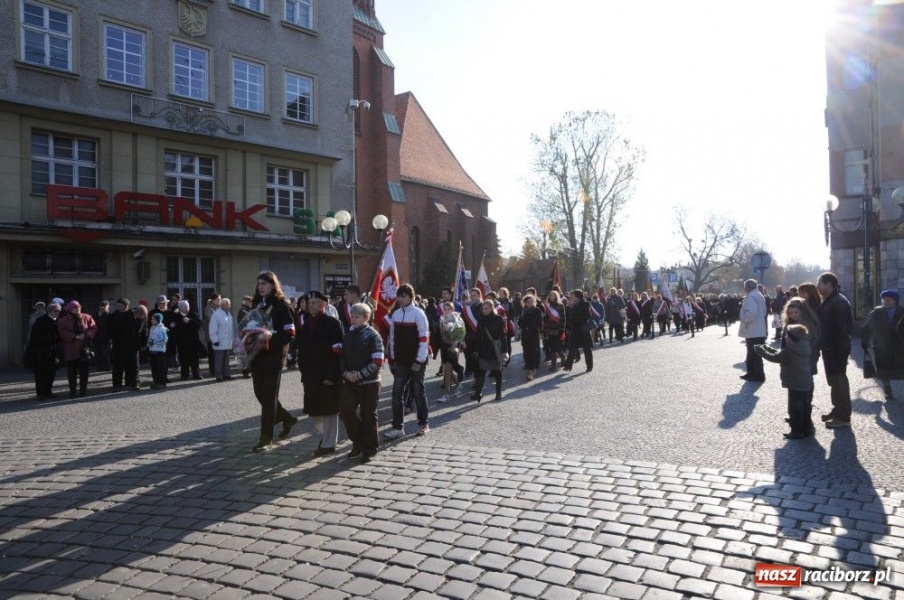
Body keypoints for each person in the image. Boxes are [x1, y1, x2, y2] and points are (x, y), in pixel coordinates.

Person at [244, 271, 297, 452]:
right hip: (257, 357)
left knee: (268, 399)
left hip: (273, 357)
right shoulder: (257, 305)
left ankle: (266, 439)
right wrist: (248, 340)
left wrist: (267, 342)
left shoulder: (282, 306)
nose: (261, 286)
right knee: (260, 393)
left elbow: (289, 334)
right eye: (259, 283)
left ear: (273, 285)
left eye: (265, 283)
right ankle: (287, 418)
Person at [298, 290, 344, 457]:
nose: (311, 306)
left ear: (324, 304)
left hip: (327, 374)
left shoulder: (333, 323)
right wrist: (302, 370)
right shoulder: (306, 324)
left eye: (315, 303)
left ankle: (329, 443)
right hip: (311, 375)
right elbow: (301, 350)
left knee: (329, 410)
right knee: (315, 409)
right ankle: (325, 438)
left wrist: (332, 375)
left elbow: (337, 352)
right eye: (309, 303)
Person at [340, 302, 384, 463]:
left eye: (357, 317)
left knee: (368, 416)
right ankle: (358, 443)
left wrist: (360, 374)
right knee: (346, 412)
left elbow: (378, 361)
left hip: (369, 383)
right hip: (350, 382)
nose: (353, 319)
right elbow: (342, 357)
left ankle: (370, 448)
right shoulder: (348, 334)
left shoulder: (373, 336)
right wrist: (345, 373)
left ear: (366, 317)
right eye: (352, 316)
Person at [385, 283, 430, 439]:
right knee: (397, 393)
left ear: (411, 296)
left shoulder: (419, 314)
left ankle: (424, 423)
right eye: (399, 296)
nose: (400, 299)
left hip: (417, 360)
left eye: (403, 296)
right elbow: (391, 338)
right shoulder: (396, 314)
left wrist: (419, 360)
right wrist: (392, 357)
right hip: (401, 361)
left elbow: (424, 338)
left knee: (418, 391)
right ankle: (398, 427)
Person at [755, 324, 814, 439]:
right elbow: (779, 354)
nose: (785, 337)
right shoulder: (803, 346)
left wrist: (760, 350)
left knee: (795, 408)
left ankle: (797, 431)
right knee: (805, 406)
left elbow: (774, 357)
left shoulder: (789, 351)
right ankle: (808, 428)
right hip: (806, 382)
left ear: (792, 339)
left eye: (787, 336)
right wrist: (768, 348)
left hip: (795, 384)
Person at [816, 272, 854, 428]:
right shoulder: (831, 300)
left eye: (820, 283)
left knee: (839, 381)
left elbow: (842, 329)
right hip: (832, 347)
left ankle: (843, 417)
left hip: (836, 348)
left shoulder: (837, 301)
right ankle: (838, 410)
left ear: (829, 284)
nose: (818, 286)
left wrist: (829, 346)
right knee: (834, 381)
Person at [861, 289, 904, 400]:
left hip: (899, 346)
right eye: (884, 300)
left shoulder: (902, 311)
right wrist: (865, 340)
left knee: (901, 367)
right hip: (881, 345)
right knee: (883, 368)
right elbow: (867, 326)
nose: (886, 302)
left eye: (889, 300)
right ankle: (887, 391)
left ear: (895, 301)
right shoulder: (877, 311)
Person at [471, 299, 510, 402]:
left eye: (486, 308)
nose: (484, 310)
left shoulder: (498, 319)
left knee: (497, 372)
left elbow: (502, 335)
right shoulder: (481, 320)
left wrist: (504, 349)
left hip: (495, 349)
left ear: (492, 308)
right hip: (484, 348)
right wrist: (476, 349)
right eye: (483, 308)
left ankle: (498, 392)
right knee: (481, 372)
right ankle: (478, 393)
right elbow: (478, 336)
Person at [57, 301, 97, 398]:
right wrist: (74, 336)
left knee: (84, 372)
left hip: (83, 349)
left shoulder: (86, 317)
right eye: (75, 308)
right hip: (71, 350)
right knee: (72, 373)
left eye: (79, 307)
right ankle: (73, 391)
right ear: (70, 309)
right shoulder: (63, 320)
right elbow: (62, 331)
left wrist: (87, 335)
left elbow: (93, 327)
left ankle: (83, 390)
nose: (78, 309)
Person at [27, 302, 62, 400]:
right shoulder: (41, 320)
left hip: (53, 351)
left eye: (59, 311)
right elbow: (36, 336)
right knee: (41, 373)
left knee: (51, 372)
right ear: (50, 311)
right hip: (41, 352)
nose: (58, 313)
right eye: (55, 311)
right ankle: (40, 393)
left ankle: (48, 391)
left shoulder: (58, 321)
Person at [108, 298, 143, 391]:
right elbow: (110, 328)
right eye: (119, 305)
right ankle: (116, 385)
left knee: (133, 365)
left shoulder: (133, 314)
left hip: (132, 344)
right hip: (118, 344)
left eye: (122, 305)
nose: (120, 307)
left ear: (127, 306)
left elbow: (140, 327)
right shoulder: (114, 315)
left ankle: (134, 383)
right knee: (117, 365)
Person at [738, 279, 768, 382]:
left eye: (744, 286)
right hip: (757, 329)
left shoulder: (751, 296)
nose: (743, 288)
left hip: (753, 329)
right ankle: (751, 373)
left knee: (754, 354)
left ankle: (757, 375)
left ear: (749, 286)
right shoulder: (759, 295)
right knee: (753, 353)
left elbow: (750, 313)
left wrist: (743, 317)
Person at [437, 302, 466, 402]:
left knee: (447, 369)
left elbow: (461, 332)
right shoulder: (442, 319)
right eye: (445, 309)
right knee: (448, 368)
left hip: (453, 346)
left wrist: (456, 341)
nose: (446, 311)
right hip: (444, 345)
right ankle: (458, 385)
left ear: (452, 309)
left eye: (449, 309)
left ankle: (446, 394)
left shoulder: (457, 318)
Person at [562, 290, 593, 373]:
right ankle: (568, 366)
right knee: (573, 348)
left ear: (577, 296)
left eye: (573, 296)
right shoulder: (574, 305)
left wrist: (576, 319)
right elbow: (571, 317)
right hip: (575, 329)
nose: (572, 297)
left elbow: (587, 316)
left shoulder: (585, 304)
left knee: (587, 349)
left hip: (583, 329)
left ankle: (589, 366)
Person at [171, 300, 203, 381]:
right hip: (182, 342)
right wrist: (173, 326)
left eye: (188, 307)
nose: (187, 309)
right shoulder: (176, 316)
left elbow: (199, 324)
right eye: (185, 307)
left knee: (195, 360)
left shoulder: (193, 315)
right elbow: (174, 329)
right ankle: (184, 375)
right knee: (183, 360)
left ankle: (196, 374)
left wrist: (190, 321)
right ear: (180, 308)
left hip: (193, 342)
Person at [208, 297, 234, 382]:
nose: (229, 306)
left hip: (227, 341)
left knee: (226, 360)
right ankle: (218, 375)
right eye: (228, 304)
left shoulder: (228, 314)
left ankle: (226, 374)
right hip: (219, 341)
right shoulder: (216, 315)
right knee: (219, 360)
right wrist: (214, 340)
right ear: (223, 305)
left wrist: (232, 340)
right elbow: (212, 328)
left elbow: (231, 329)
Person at [518, 294, 543, 380]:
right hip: (525, 335)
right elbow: (520, 322)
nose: (529, 303)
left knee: (532, 353)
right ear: (525, 303)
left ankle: (532, 371)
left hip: (533, 334)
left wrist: (532, 328)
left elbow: (540, 323)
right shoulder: (523, 311)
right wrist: (523, 327)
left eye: (531, 302)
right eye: (528, 302)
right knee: (526, 353)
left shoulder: (537, 310)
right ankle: (528, 367)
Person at [542, 290, 567, 370]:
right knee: (552, 348)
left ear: (556, 296)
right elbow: (545, 319)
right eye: (550, 295)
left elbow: (563, 318)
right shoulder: (547, 306)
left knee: (558, 348)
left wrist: (562, 329)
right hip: (550, 330)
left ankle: (563, 360)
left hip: (558, 329)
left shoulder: (560, 306)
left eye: (553, 295)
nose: (551, 297)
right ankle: (553, 365)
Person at [147, 312, 169, 389]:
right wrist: (148, 344)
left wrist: (154, 342)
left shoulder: (162, 328)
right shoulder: (152, 327)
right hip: (152, 350)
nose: (151, 320)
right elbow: (150, 338)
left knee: (161, 367)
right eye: (151, 319)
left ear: (158, 320)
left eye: (153, 319)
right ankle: (156, 381)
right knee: (154, 367)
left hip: (160, 351)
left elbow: (164, 339)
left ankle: (162, 383)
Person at [203, 292, 221, 377]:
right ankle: (213, 371)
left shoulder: (219, 308)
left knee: (218, 354)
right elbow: (212, 319)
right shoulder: (208, 308)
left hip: (219, 335)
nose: (219, 301)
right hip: (211, 336)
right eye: (218, 299)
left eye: (220, 299)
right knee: (212, 355)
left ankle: (218, 370)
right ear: (213, 300)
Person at [92, 301, 112, 372]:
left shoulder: (110, 316)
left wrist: (110, 338)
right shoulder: (95, 315)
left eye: (105, 306)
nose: (103, 307)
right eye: (102, 306)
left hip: (106, 338)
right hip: (96, 338)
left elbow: (111, 328)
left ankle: (106, 368)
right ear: (99, 307)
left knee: (106, 354)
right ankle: (99, 368)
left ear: (108, 307)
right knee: (97, 354)